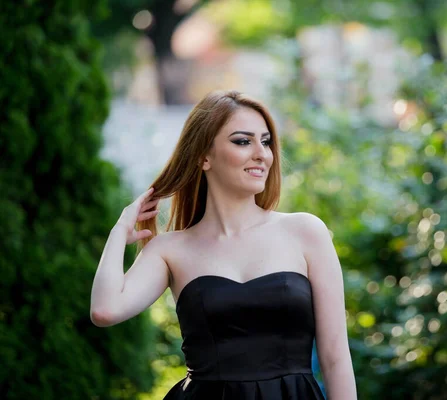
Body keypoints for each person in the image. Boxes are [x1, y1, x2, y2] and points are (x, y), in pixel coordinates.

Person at [90, 90, 357, 400]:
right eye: (243, 141)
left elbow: (335, 355)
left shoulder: (305, 231)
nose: (262, 154)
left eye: (266, 141)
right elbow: (105, 310)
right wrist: (120, 229)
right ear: (204, 157)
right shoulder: (170, 250)